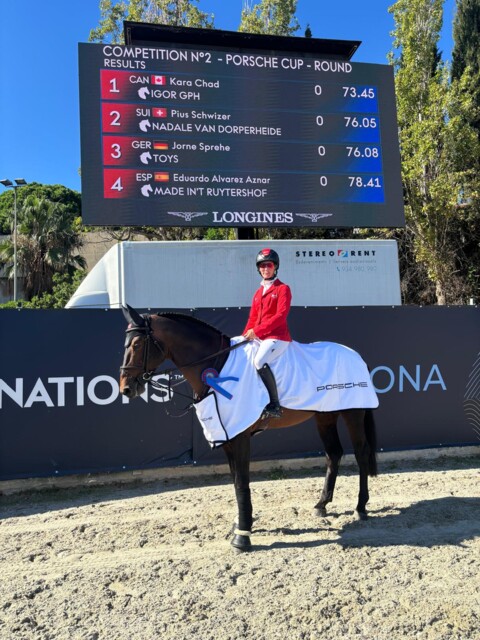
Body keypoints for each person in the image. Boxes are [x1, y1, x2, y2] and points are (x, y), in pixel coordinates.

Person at [243, 248, 292, 419]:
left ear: (275, 267)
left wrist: (256, 331)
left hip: (278, 337)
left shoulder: (283, 289)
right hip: (261, 337)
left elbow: (280, 316)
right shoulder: (258, 293)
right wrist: (243, 337)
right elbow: (252, 318)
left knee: (259, 361)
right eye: (262, 266)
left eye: (269, 265)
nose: (265, 269)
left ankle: (274, 404)